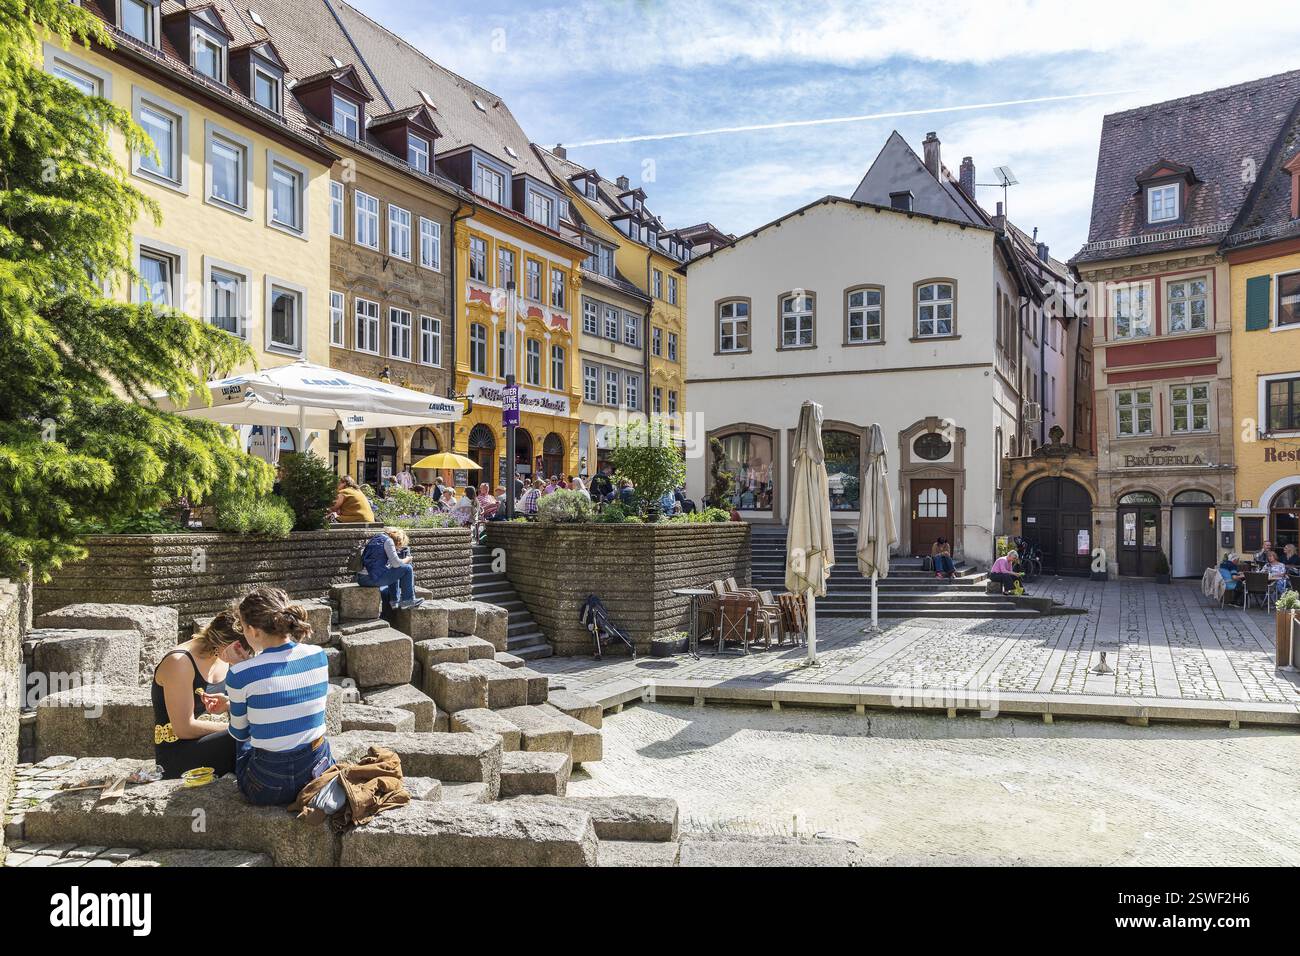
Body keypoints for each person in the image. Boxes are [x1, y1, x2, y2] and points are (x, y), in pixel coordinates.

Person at [222, 588, 333, 806]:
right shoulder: (319, 655)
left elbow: (239, 732)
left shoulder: (239, 674)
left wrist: (240, 666)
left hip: (267, 785)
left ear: (253, 631)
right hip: (317, 774)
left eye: (242, 629)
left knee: (242, 739)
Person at [152, 609, 249, 780]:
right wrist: (239, 728)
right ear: (228, 644)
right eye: (242, 650)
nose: (246, 656)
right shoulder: (179, 662)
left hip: (215, 742)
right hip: (178, 754)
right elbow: (184, 729)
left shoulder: (225, 657)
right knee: (252, 736)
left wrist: (229, 705)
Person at [357, 526, 423, 610]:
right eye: (400, 545)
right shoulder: (388, 541)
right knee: (407, 568)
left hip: (361, 578)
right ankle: (408, 601)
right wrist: (407, 559)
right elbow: (396, 563)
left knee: (393, 570)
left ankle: (394, 602)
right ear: (398, 540)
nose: (399, 547)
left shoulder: (376, 538)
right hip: (370, 579)